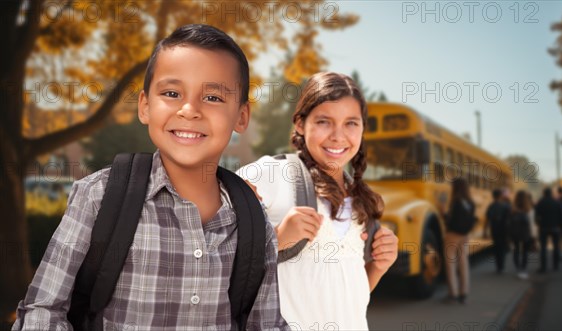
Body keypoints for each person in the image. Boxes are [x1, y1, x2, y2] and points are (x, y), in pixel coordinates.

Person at [13, 24, 288, 330]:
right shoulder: (99, 196)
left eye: (212, 97)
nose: (189, 109)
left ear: (241, 117)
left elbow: (267, 324)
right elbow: (43, 309)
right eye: (172, 93)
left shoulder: (253, 219)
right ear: (145, 106)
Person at [237, 72, 398, 330]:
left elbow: (349, 299)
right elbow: (213, 253)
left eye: (351, 123)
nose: (338, 135)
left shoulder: (359, 200)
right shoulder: (273, 174)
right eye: (324, 121)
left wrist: (378, 267)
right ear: (300, 124)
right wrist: (276, 240)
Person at [443, 178, 476, 304]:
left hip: (453, 235)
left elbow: (451, 221)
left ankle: (453, 294)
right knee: (463, 263)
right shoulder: (470, 203)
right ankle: (464, 293)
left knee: (450, 263)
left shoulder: (455, 201)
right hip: (465, 235)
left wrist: (443, 214)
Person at [535, 187, 562, 273]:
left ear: (544, 193)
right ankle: (555, 265)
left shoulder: (540, 202)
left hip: (544, 228)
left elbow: (536, 216)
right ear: (551, 193)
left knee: (543, 248)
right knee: (556, 247)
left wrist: (538, 224)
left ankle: (543, 267)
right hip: (555, 228)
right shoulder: (557, 202)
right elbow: (561, 216)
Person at [508, 190, 534, 280]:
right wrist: (533, 235)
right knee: (525, 252)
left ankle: (518, 268)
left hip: (514, 233)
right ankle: (523, 269)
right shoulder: (528, 209)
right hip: (525, 233)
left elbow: (509, 222)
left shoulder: (512, 208)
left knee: (516, 250)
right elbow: (531, 223)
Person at [484, 189, 511, 274]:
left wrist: (485, 231)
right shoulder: (505, 206)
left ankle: (498, 267)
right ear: (500, 196)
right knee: (502, 249)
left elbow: (487, 219)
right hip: (503, 230)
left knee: (496, 248)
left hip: (494, 230)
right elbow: (509, 220)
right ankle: (501, 267)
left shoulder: (491, 206)